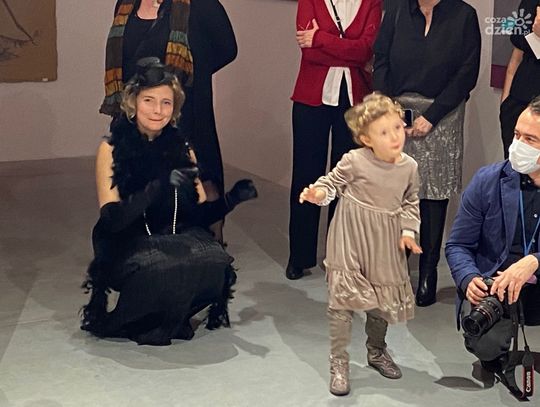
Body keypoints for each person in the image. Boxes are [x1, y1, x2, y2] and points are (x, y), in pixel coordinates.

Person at [81, 58, 257, 346]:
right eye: (148, 101)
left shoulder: (182, 148)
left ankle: (172, 316)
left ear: (174, 108)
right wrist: (157, 186)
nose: (157, 110)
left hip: (174, 235)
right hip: (127, 242)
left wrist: (232, 199)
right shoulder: (111, 148)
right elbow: (112, 221)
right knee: (162, 264)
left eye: (166, 103)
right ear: (133, 103)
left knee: (215, 260)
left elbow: (200, 215)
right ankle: (135, 320)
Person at [299, 94, 421, 396]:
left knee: (381, 301)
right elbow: (331, 182)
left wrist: (408, 232)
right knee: (342, 302)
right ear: (366, 139)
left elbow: (410, 202)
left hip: (385, 241)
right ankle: (339, 363)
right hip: (350, 237)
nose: (395, 136)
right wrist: (317, 193)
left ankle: (376, 350)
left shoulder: (409, 167)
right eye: (384, 132)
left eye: (397, 127)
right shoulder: (354, 160)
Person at [100, 0, 238, 241]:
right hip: (136, 109)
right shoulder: (126, 4)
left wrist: (191, 70)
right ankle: (147, 241)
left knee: (199, 175)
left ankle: (208, 242)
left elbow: (227, 49)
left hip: (186, 108)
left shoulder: (201, 5)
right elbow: (122, 56)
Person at [373, 0, 481, 306]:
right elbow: (381, 60)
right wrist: (387, 107)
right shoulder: (397, 10)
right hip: (398, 113)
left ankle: (427, 273)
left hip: (443, 114)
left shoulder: (464, 15)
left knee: (434, 194)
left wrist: (432, 116)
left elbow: (467, 73)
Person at [286, 0, 382, 280]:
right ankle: (299, 255)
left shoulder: (372, 2)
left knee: (347, 179)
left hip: (354, 102)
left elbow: (366, 50)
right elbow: (309, 52)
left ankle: (339, 256)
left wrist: (321, 38)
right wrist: (346, 48)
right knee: (306, 175)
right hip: (310, 99)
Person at [446, 96, 540, 331]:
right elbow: (458, 244)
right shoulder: (487, 180)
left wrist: (535, 261)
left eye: (530, 139)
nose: (518, 145)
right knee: (486, 341)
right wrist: (468, 278)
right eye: (517, 135)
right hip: (496, 287)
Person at [500, 2, 540, 158]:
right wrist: (505, 103)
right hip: (518, 103)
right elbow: (517, 55)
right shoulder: (530, 3)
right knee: (513, 167)